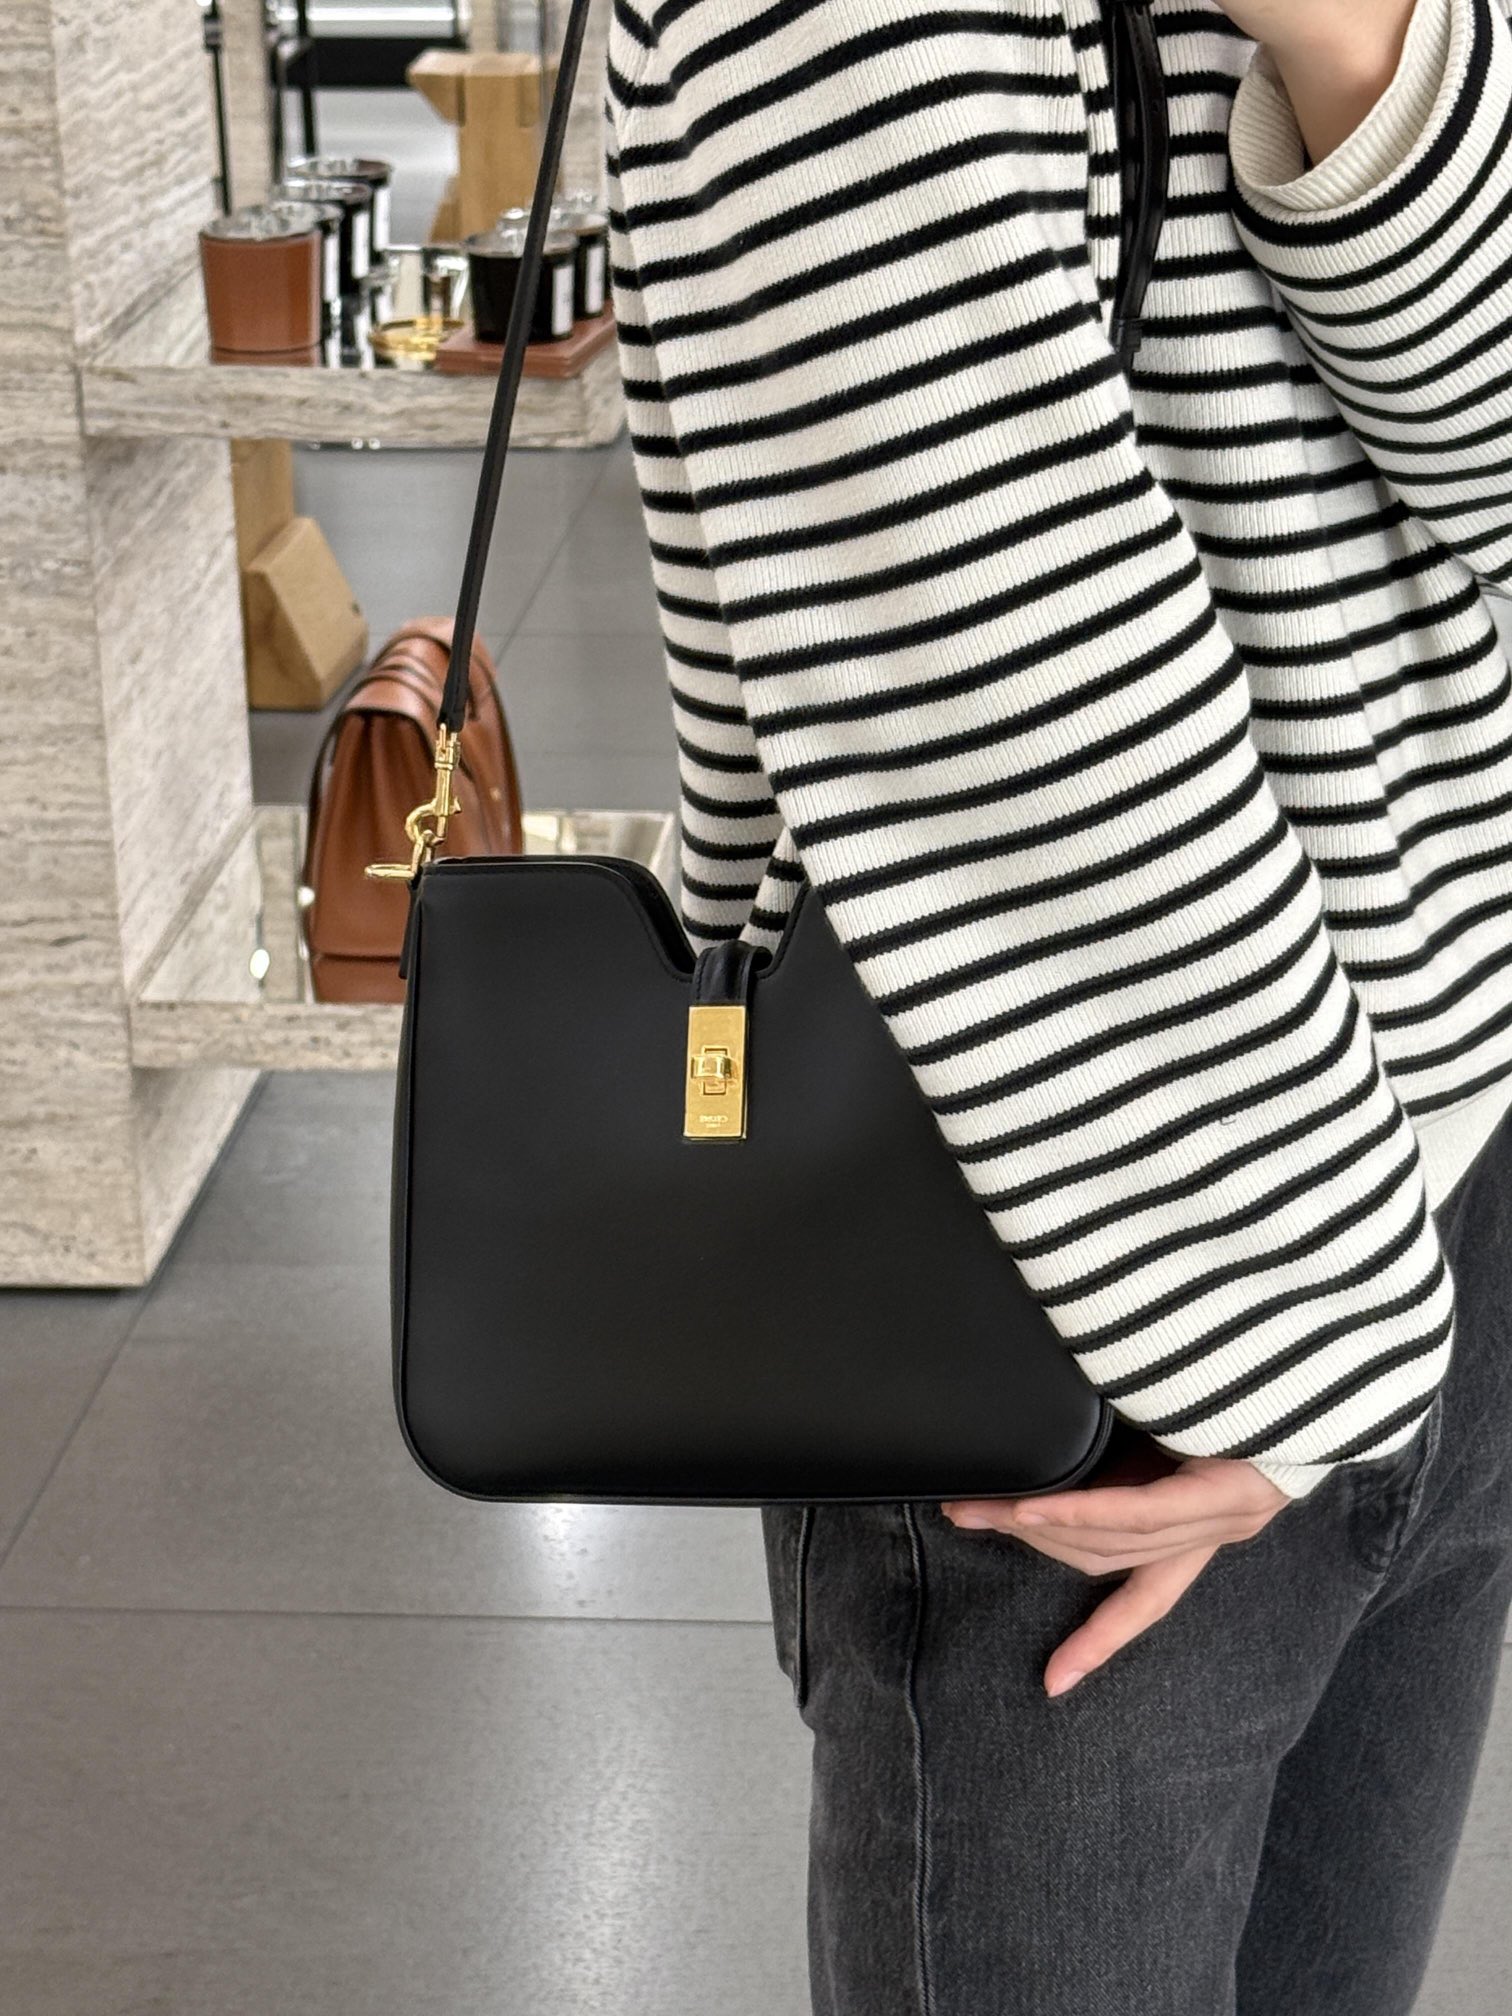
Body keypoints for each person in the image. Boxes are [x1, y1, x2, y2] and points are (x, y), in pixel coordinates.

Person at [604, 0, 1512, 2006]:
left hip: (1435, 1178)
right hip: (1101, 1271)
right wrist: (1319, 1350)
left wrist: (1357, 50)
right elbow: (996, 696)